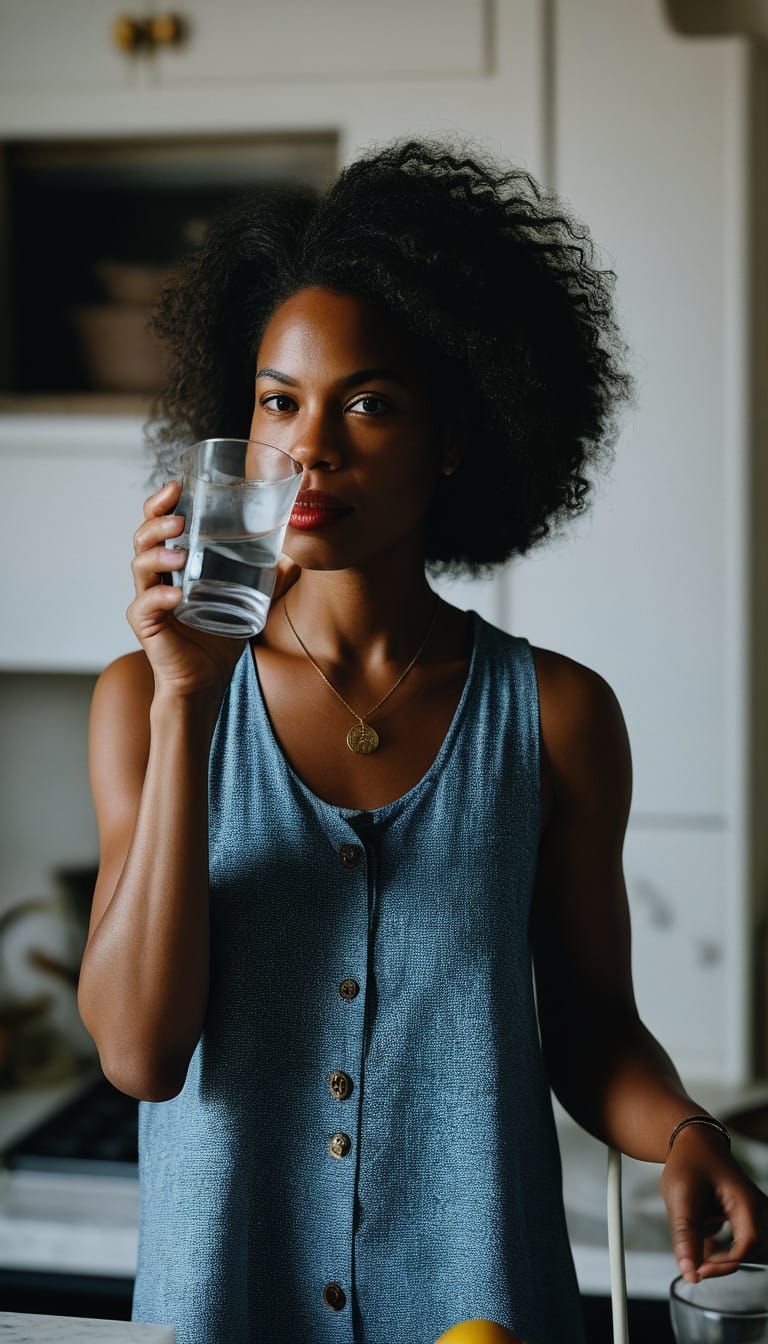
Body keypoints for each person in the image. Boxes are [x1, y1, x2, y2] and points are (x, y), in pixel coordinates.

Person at [77, 137, 768, 1344]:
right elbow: (139, 1053)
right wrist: (190, 699)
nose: (311, 450)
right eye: (279, 401)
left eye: (370, 403)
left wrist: (689, 1133)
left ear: (456, 434)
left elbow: (592, 1019)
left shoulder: (556, 717)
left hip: (479, 1316)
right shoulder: (145, 702)